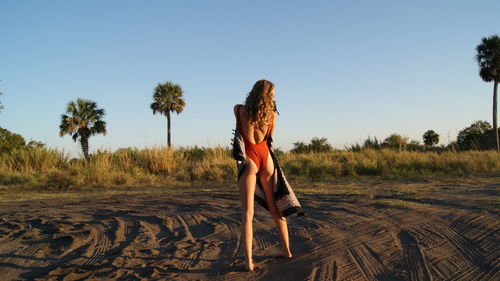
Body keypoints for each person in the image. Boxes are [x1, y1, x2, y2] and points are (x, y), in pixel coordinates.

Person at [233, 80, 292, 272]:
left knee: (247, 214)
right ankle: (286, 250)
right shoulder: (272, 116)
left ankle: (249, 262)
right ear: (269, 96)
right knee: (275, 208)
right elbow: (269, 140)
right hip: (266, 158)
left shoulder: (239, 110)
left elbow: (240, 134)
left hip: (250, 159)